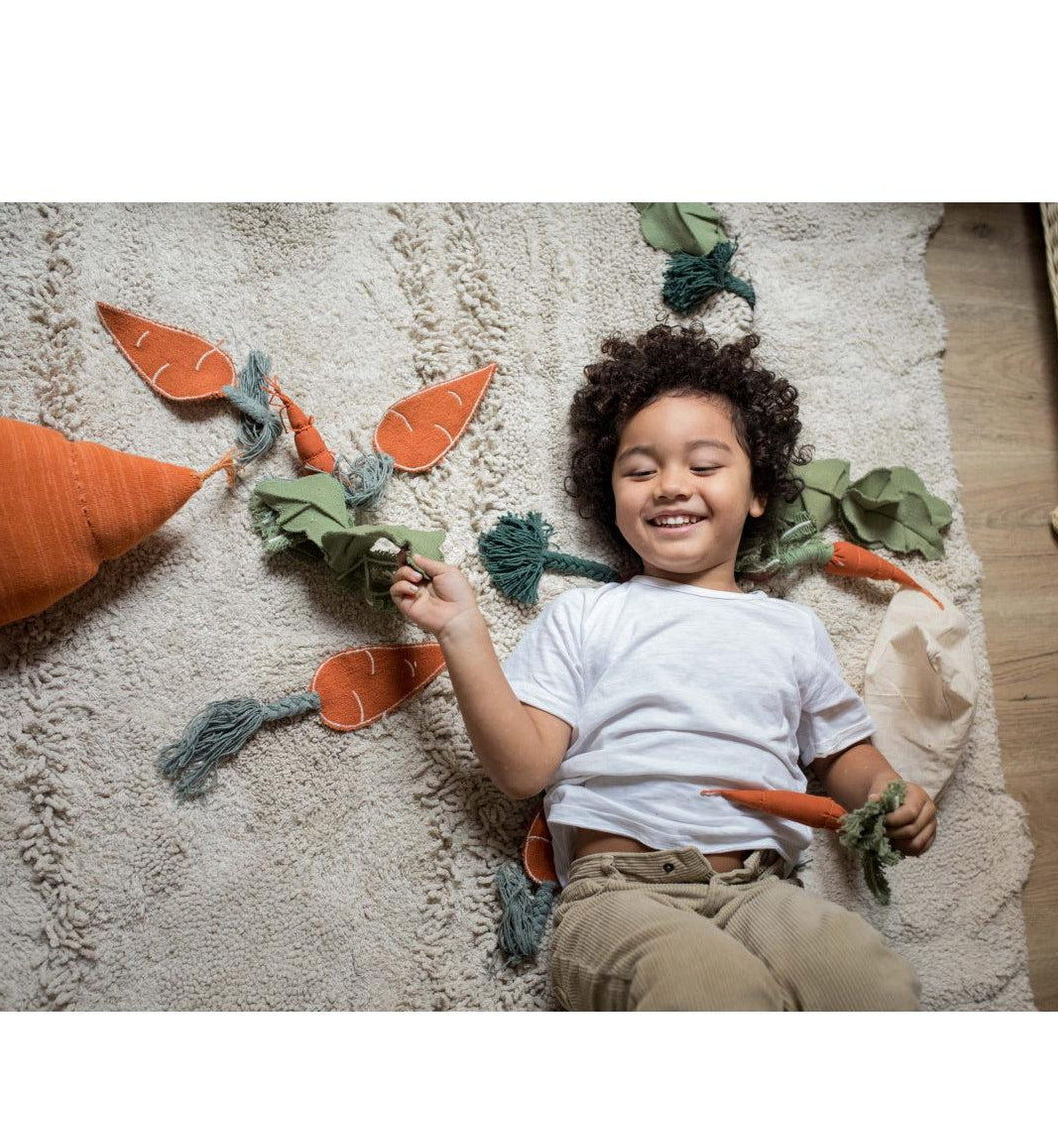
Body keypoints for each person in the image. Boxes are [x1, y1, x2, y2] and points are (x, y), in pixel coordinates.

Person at [391, 323, 935, 1011]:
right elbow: (522, 769)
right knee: (714, 995)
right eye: (641, 471)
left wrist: (886, 793)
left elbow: (840, 751)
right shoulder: (586, 615)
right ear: (610, 497)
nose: (671, 486)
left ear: (758, 492)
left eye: (704, 467)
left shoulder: (792, 629)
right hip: (619, 896)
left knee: (874, 986)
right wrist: (463, 632)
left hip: (760, 892)